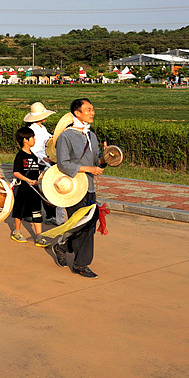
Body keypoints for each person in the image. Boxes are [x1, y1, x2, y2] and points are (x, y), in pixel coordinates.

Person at [50, 98, 106, 279]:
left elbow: (97, 161)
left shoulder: (92, 136)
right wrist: (89, 169)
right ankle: (81, 264)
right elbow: (63, 164)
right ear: (77, 113)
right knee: (83, 224)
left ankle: (62, 246)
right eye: (88, 109)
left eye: (92, 109)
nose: (92, 112)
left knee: (87, 223)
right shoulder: (66, 136)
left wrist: (107, 157)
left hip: (89, 186)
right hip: (73, 187)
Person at [23, 101, 59, 224]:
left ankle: (49, 215)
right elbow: (33, 149)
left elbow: (49, 141)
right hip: (38, 162)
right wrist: (43, 159)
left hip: (45, 161)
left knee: (43, 188)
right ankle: (35, 214)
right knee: (39, 189)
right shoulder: (33, 130)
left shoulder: (42, 128)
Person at [10, 127, 44, 244]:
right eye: (32, 137)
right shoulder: (20, 155)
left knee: (37, 211)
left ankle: (39, 236)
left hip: (34, 189)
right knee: (20, 210)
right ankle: (17, 232)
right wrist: (28, 180)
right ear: (25, 140)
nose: (34, 139)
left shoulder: (34, 156)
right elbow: (16, 172)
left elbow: (37, 171)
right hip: (23, 189)